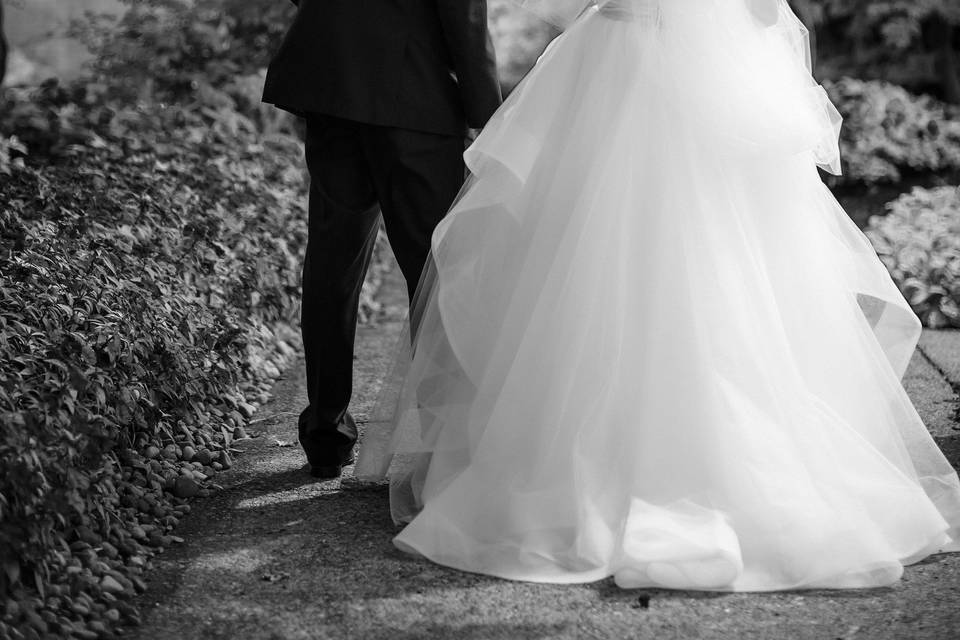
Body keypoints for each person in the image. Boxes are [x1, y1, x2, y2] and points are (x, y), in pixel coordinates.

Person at [355, 0, 960, 591]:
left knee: (607, 248)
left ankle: (586, 461)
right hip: (690, 73)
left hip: (618, 64)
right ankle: (712, 458)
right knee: (702, 253)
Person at [262, 0, 502, 479]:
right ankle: (447, 437)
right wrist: (488, 111)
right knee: (434, 267)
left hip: (333, 82)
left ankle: (325, 434)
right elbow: (463, 12)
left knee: (334, 259)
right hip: (415, 96)